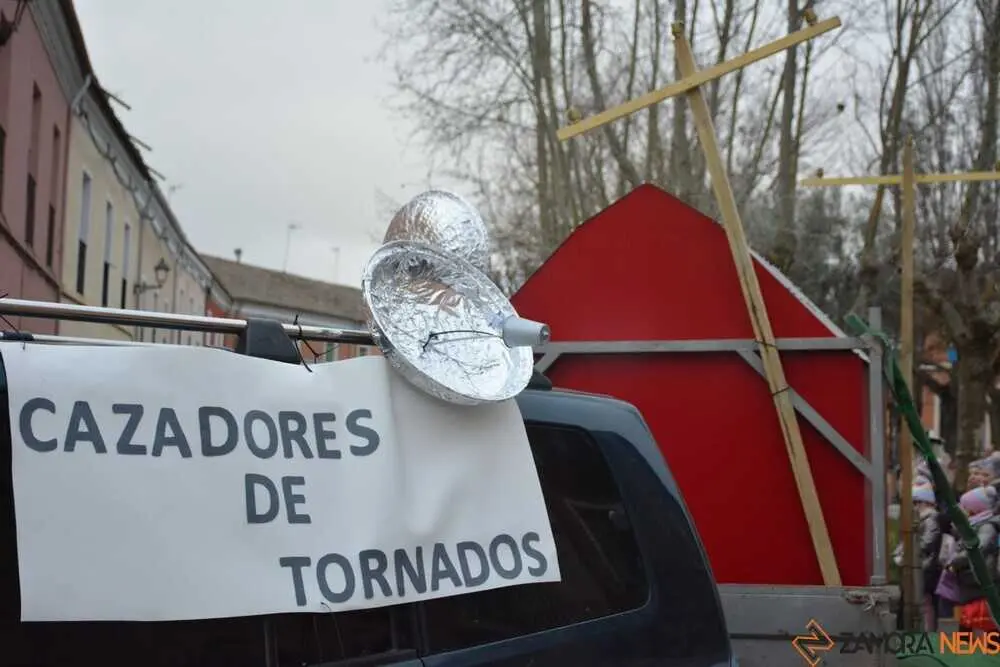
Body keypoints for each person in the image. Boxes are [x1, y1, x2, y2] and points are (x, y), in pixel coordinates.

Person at [948, 486, 1000, 633]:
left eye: (964, 507)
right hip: (972, 582)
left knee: (984, 623)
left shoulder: (986, 527)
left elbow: (977, 548)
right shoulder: (974, 525)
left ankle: (991, 654)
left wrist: (955, 562)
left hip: (979, 581)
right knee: (973, 623)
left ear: (973, 509)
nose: (961, 509)